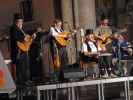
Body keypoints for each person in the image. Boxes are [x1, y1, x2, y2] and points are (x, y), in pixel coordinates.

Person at [10, 14, 35, 85]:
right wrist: (23, 38)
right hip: (18, 51)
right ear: (16, 21)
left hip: (24, 50)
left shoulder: (21, 29)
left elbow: (26, 39)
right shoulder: (13, 28)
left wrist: (31, 37)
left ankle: (27, 80)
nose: (21, 23)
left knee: (26, 66)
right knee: (20, 67)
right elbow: (15, 38)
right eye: (19, 21)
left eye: (21, 21)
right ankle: (21, 81)